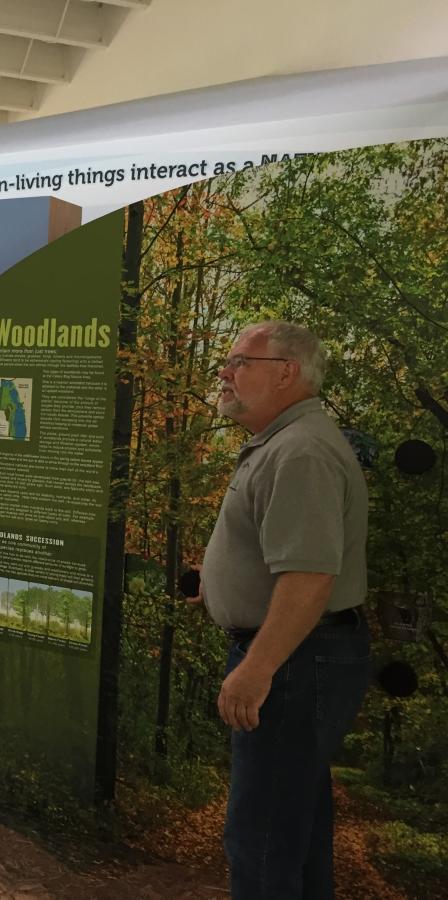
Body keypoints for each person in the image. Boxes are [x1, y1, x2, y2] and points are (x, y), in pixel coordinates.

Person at [195, 321, 369, 899]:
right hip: (299, 655)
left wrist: (257, 668)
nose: (225, 372)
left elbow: (310, 577)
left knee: (263, 842)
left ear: (286, 373)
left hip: (294, 662)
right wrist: (222, 587)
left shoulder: (301, 451)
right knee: (294, 834)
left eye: (240, 361)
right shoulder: (285, 442)